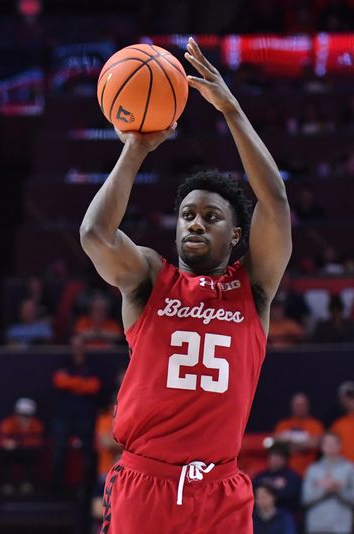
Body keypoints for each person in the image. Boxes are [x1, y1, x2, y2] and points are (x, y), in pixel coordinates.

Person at [80, 38, 291, 533]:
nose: (195, 224)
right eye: (186, 215)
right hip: (145, 483)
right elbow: (95, 235)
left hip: (221, 490)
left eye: (211, 216)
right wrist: (136, 146)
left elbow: (275, 202)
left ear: (235, 234)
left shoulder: (253, 288)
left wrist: (232, 111)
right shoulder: (150, 280)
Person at [50, 336, 102, 491]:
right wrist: (81, 384)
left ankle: (85, 489)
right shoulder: (64, 364)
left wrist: (70, 383)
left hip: (85, 417)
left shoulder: (92, 366)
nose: (77, 349)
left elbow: (94, 387)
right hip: (64, 416)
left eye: (80, 346)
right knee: (58, 453)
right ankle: (57, 489)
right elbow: (59, 381)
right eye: (74, 346)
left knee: (88, 455)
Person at [302, 432, 354, 534]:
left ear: (339, 446)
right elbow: (305, 499)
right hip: (316, 527)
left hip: (341, 527)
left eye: (333, 443)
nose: (330, 447)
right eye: (326, 443)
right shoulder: (312, 469)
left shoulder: (349, 468)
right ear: (322, 447)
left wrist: (338, 490)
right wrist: (323, 490)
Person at [0, 397, 44, 495]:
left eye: (26, 415)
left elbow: (36, 441)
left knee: (31, 454)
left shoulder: (36, 424)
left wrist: (20, 443)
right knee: (5, 454)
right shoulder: (9, 423)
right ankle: (7, 484)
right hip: (12, 452)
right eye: (21, 414)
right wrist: (7, 442)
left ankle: (26, 483)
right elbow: (3, 437)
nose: (23, 418)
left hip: (27, 452)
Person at [273, 392, 324, 476]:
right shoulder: (283, 424)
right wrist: (304, 444)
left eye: (302, 405)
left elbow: (315, 443)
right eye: (296, 405)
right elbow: (275, 442)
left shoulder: (315, 425)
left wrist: (289, 443)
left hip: (308, 471)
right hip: (284, 473)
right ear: (291, 406)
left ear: (308, 406)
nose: (299, 407)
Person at [251, 443, 302, 515]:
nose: (276, 459)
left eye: (280, 457)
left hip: (285, 516)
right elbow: (252, 496)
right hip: (260, 516)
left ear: (286, 459)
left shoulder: (293, 477)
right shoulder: (260, 477)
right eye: (273, 456)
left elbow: (293, 499)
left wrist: (270, 497)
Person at [331, 382, 354, 462]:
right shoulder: (337, 425)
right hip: (344, 471)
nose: (352, 400)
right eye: (348, 397)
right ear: (342, 400)